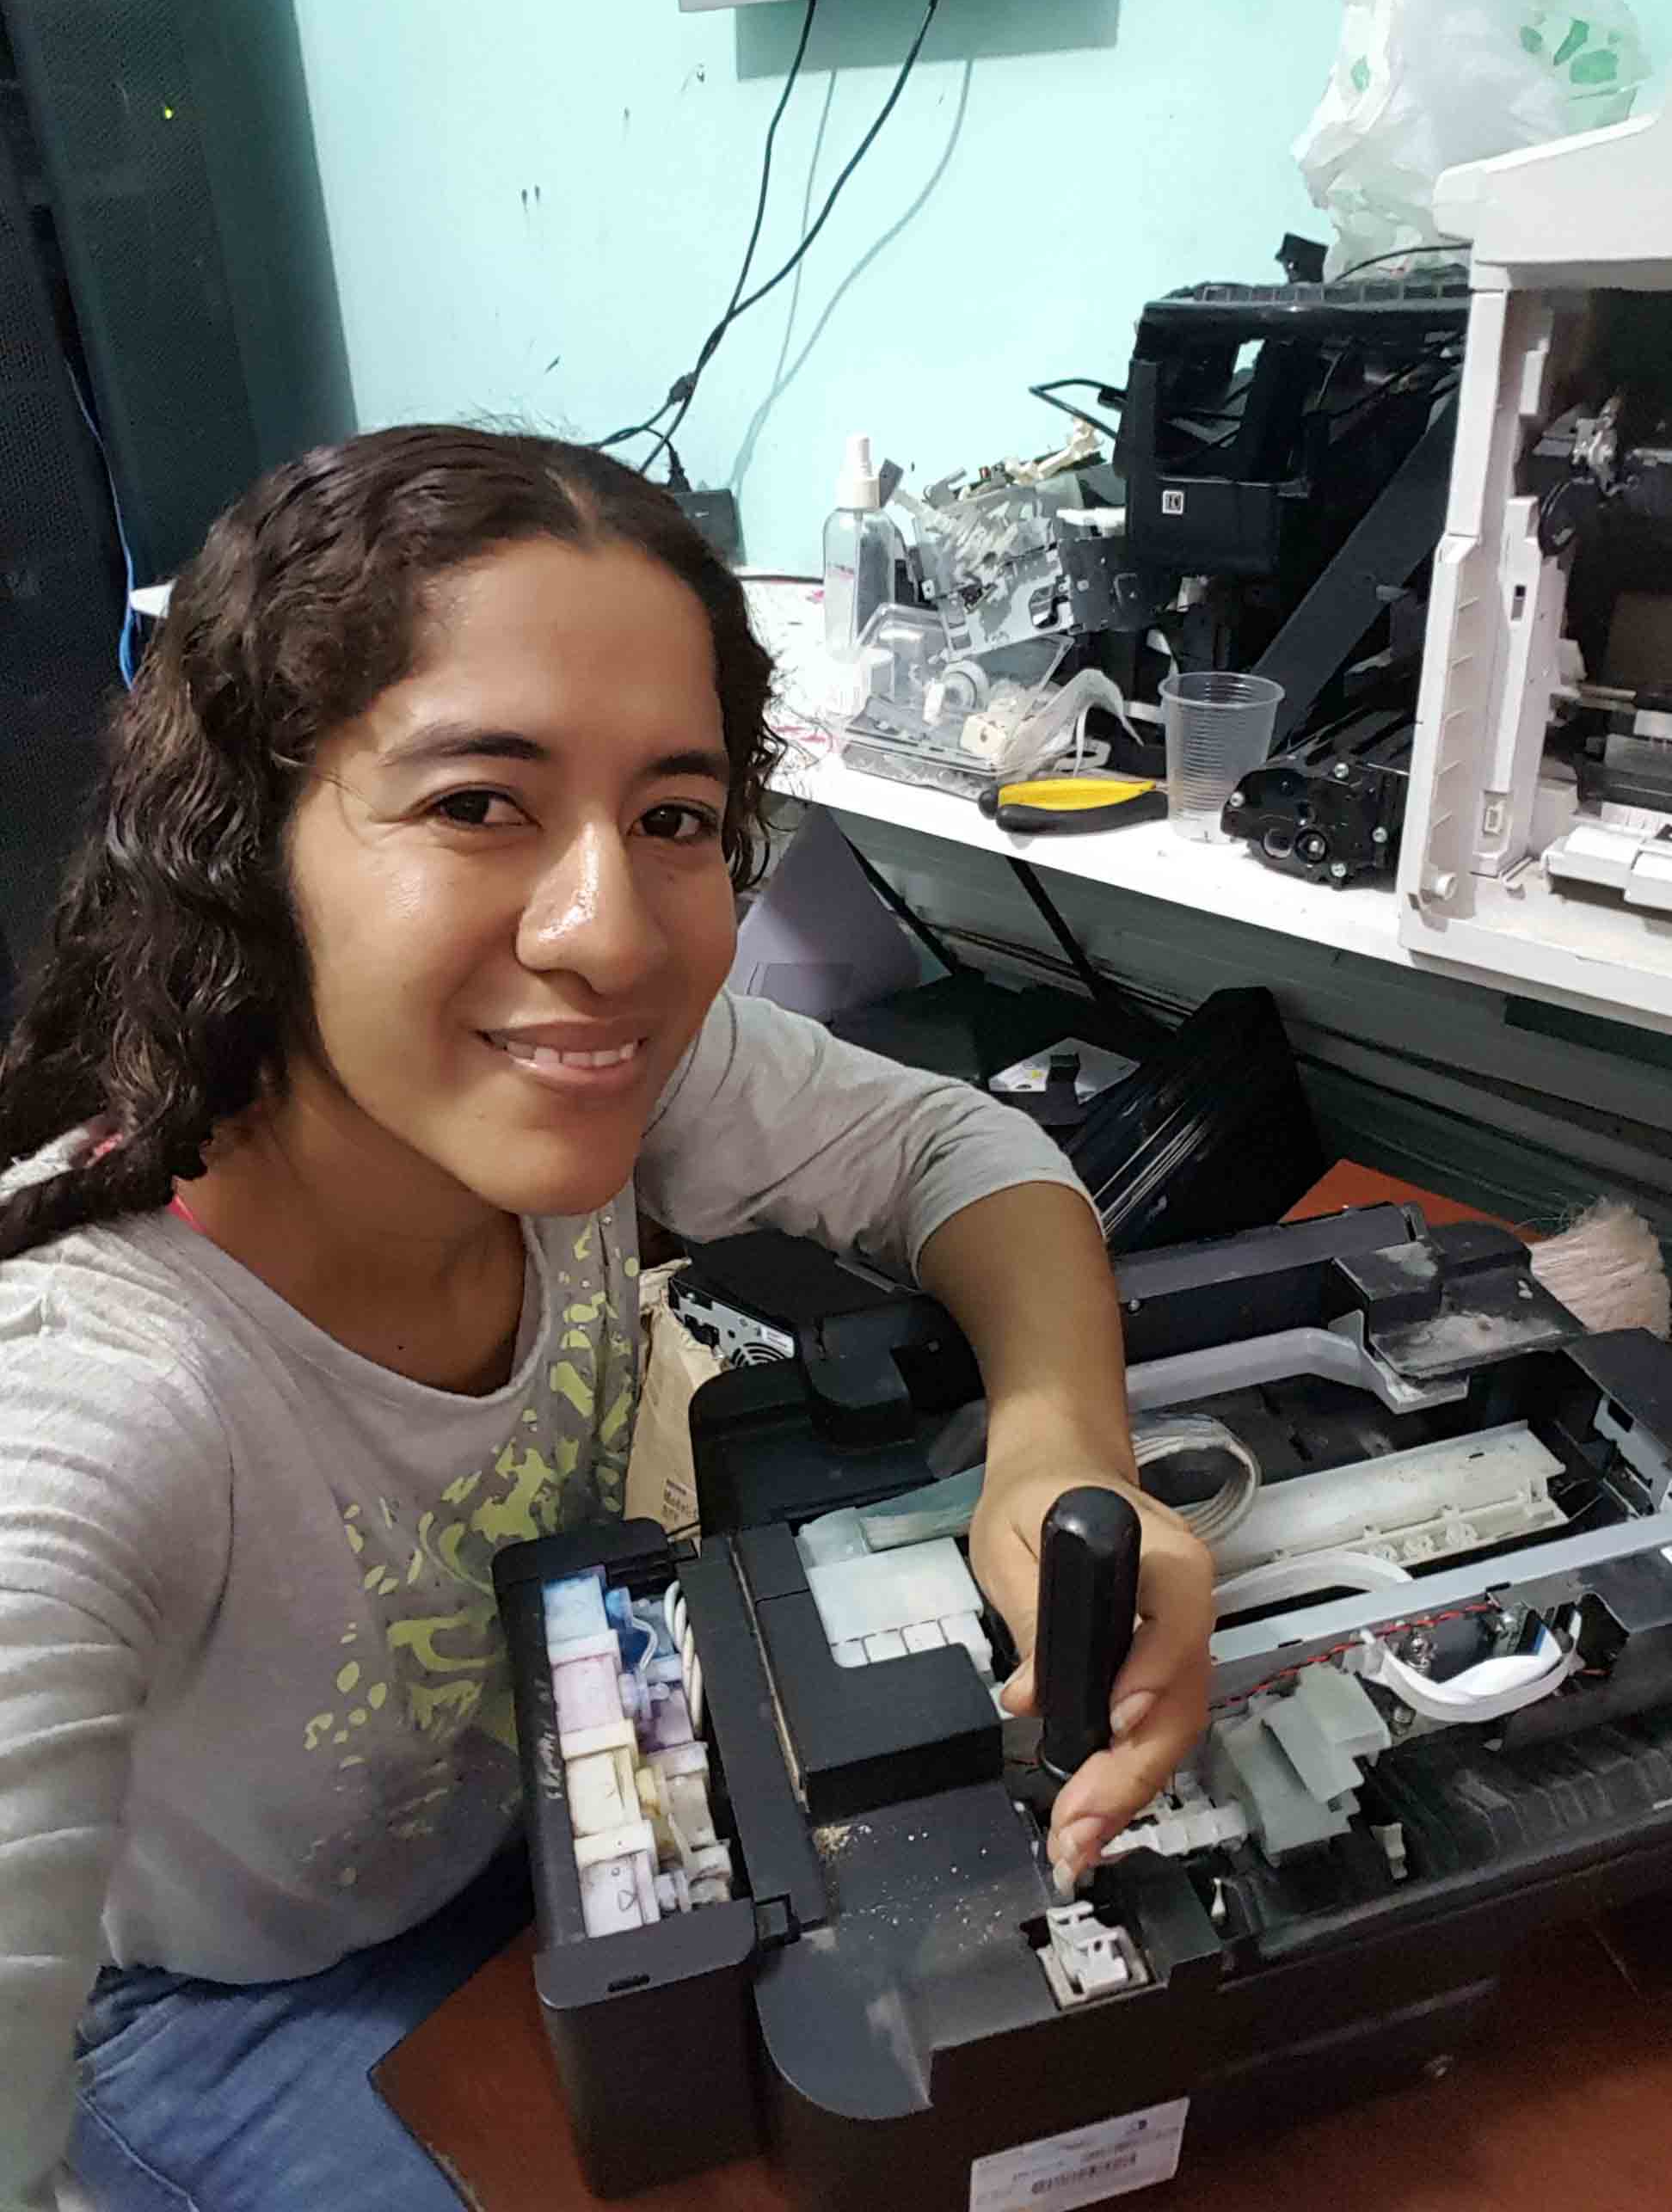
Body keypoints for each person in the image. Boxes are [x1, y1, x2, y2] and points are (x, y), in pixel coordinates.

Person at [0, 427, 1213, 2210]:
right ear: (242, 847)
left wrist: (1058, 1453)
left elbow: (963, 1151)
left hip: (579, 1805)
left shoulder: (596, 1080)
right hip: (234, 2006)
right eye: (477, 804)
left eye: (673, 820)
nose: (614, 937)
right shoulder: (89, 1387)